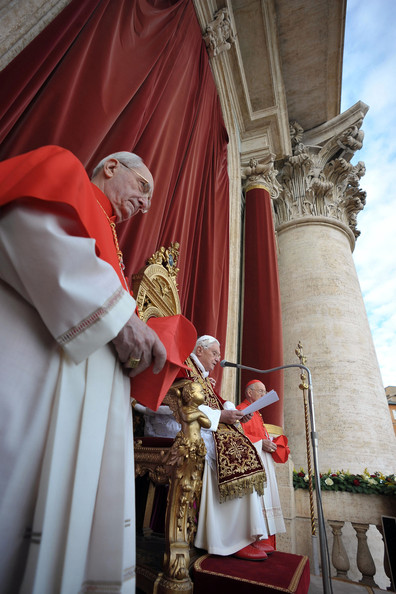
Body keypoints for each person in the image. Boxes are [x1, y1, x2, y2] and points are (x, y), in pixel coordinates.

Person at [0, 145, 167, 594]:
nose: (145, 203)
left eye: (150, 199)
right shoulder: (62, 169)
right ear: (111, 167)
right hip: (33, 375)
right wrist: (119, 318)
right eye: (142, 187)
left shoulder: (113, 240)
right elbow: (26, 228)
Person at [139, 335, 273, 560]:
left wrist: (233, 413)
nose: (217, 359)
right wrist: (221, 415)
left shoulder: (201, 374)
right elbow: (166, 401)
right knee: (222, 449)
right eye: (214, 354)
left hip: (197, 424)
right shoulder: (183, 368)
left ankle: (244, 533)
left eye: (219, 355)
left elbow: (217, 402)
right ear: (199, 350)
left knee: (240, 445)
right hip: (173, 426)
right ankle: (228, 537)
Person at [237, 380, 286, 548]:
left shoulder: (256, 413)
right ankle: (256, 543)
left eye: (265, 392)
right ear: (249, 393)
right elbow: (236, 437)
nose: (263, 395)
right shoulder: (241, 411)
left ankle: (268, 543)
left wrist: (272, 443)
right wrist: (260, 443)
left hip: (263, 462)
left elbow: (258, 434)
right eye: (261, 392)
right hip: (251, 466)